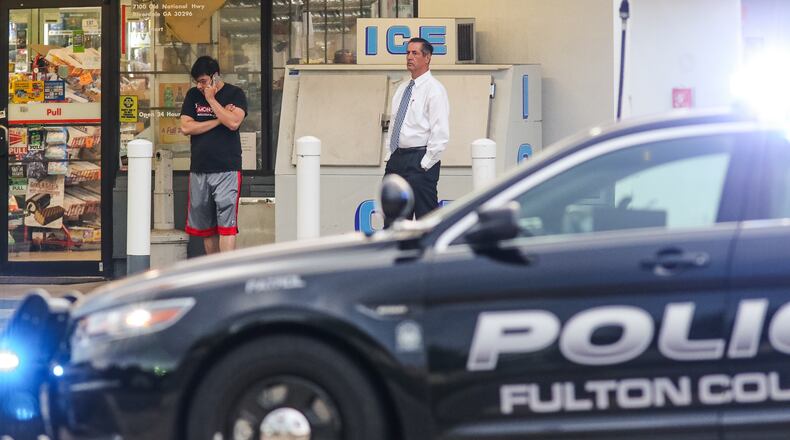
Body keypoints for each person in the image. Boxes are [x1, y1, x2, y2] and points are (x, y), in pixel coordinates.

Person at [180, 56, 247, 254]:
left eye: (203, 81)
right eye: (197, 82)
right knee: (207, 229)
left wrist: (211, 99)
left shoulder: (235, 94)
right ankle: (212, 270)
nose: (200, 86)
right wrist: (219, 120)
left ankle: (226, 274)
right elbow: (186, 127)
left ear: (215, 76)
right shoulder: (193, 95)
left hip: (227, 167)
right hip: (200, 168)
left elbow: (234, 123)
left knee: (227, 226)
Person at [384, 37, 449, 225]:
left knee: (425, 221)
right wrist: (391, 154)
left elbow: (440, 130)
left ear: (427, 58)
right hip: (397, 160)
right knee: (393, 221)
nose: (409, 57)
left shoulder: (434, 90)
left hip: (419, 160)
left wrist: (426, 163)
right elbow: (396, 122)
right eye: (407, 53)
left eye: (415, 53)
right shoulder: (403, 89)